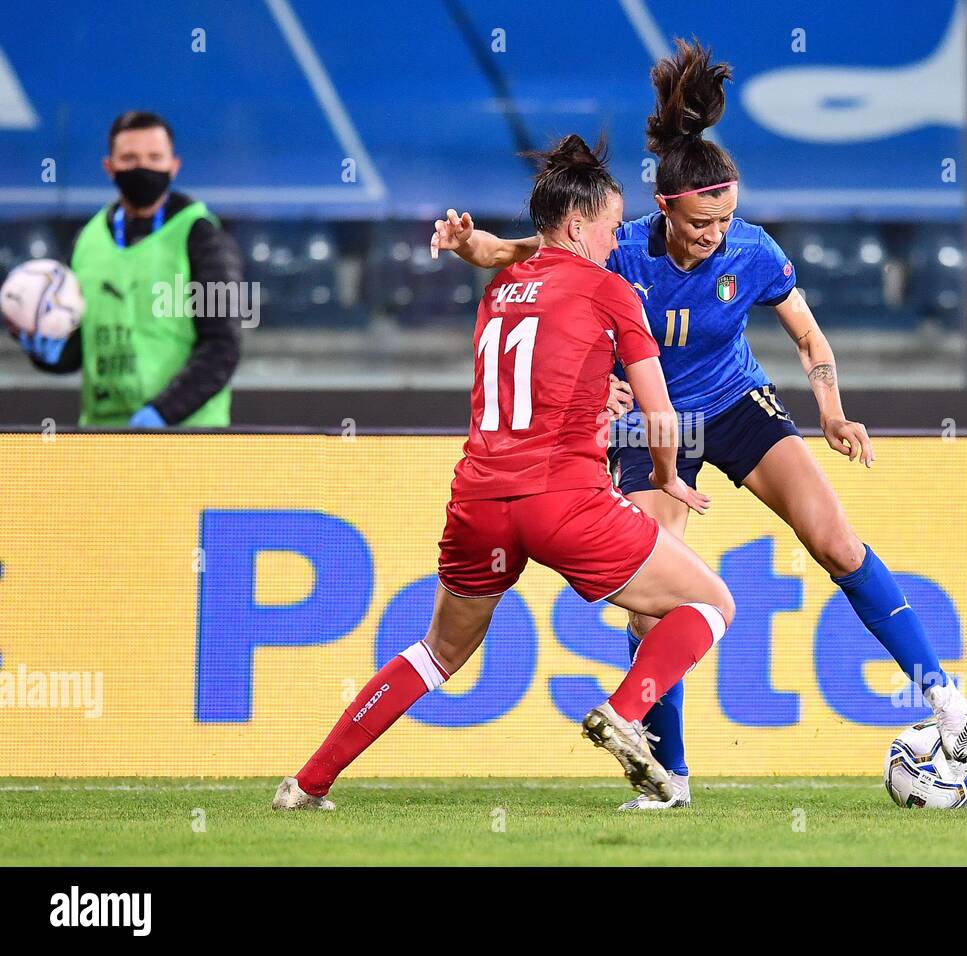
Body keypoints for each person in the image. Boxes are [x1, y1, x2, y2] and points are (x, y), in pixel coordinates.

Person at [431, 40, 967, 810]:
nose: (714, 236)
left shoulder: (752, 251)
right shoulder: (618, 249)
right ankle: (671, 780)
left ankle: (950, 709)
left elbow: (808, 338)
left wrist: (830, 409)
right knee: (651, 599)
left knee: (835, 541)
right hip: (656, 429)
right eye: (700, 223)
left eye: (725, 220)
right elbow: (510, 251)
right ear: (665, 208)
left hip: (734, 406)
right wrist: (467, 246)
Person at [274, 134, 734, 811]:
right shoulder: (611, 291)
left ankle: (306, 783)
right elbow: (661, 417)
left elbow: (534, 372)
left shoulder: (502, 290)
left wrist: (588, 397)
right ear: (579, 225)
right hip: (564, 500)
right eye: (610, 229)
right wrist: (666, 475)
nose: (616, 243)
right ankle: (626, 713)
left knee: (437, 654)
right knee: (709, 604)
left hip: (480, 498)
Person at [9, 110, 241, 427]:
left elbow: (222, 347)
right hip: (102, 434)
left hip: (188, 437)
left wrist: (162, 413)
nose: (142, 167)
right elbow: (80, 350)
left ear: (174, 166)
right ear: (110, 167)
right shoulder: (87, 240)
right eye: (129, 158)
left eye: (154, 157)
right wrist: (49, 353)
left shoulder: (205, 239)